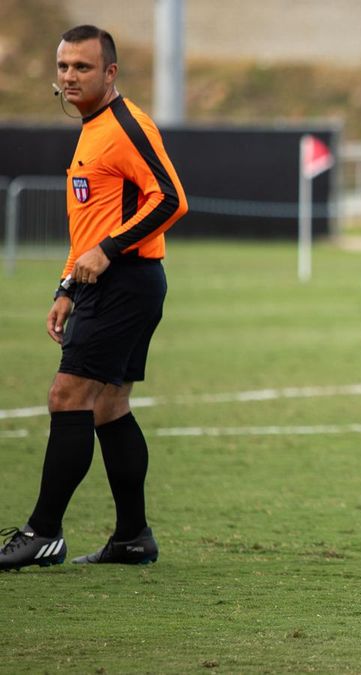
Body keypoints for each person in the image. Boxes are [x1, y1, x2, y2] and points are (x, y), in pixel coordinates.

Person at [0, 25, 187, 570]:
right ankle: (133, 538)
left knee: (67, 398)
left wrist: (108, 250)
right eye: (63, 67)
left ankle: (43, 533)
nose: (70, 77)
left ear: (110, 72)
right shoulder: (91, 128)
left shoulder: (126, 125)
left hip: (125, 283)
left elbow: (171, 197)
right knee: (108, 405)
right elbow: (90, 227)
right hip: (110, 283)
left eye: (82, 67)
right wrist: (66, 286)